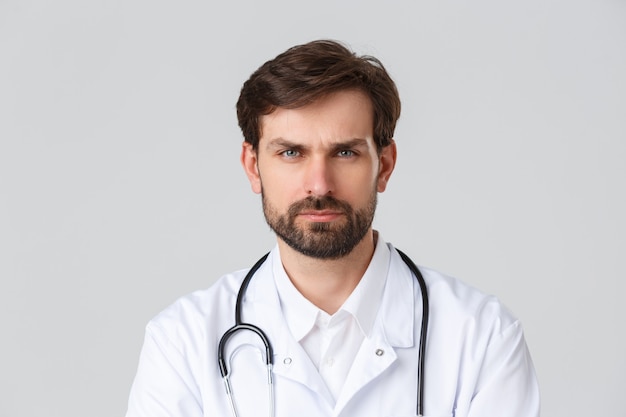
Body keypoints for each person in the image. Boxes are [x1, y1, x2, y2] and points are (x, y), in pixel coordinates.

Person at [125, 40, 540, 417]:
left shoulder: (482, 337)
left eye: (345, 152)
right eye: (291, 152)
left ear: (385, 165)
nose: (319, 184)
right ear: (253, 167)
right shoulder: (182, 342)